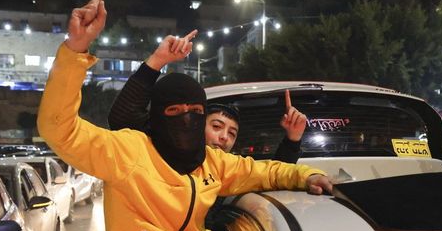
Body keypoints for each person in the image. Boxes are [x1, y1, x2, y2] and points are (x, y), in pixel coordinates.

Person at [37, 0, 333, 231]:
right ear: (156, 117)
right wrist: (75, 49)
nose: (186, 121)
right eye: (173, 113)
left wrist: (305, 176)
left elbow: (264, 172)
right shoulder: (128, 152)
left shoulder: (215, 164)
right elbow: (59, 127)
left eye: (195, 112)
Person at [107, 33, 305, 163]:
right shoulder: (155, 153)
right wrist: (157, 61)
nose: (224, 137)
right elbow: (123, 118)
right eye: (216, 126)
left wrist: (293, 140)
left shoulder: (225, 169)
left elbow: (272, 175)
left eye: (233, 133)